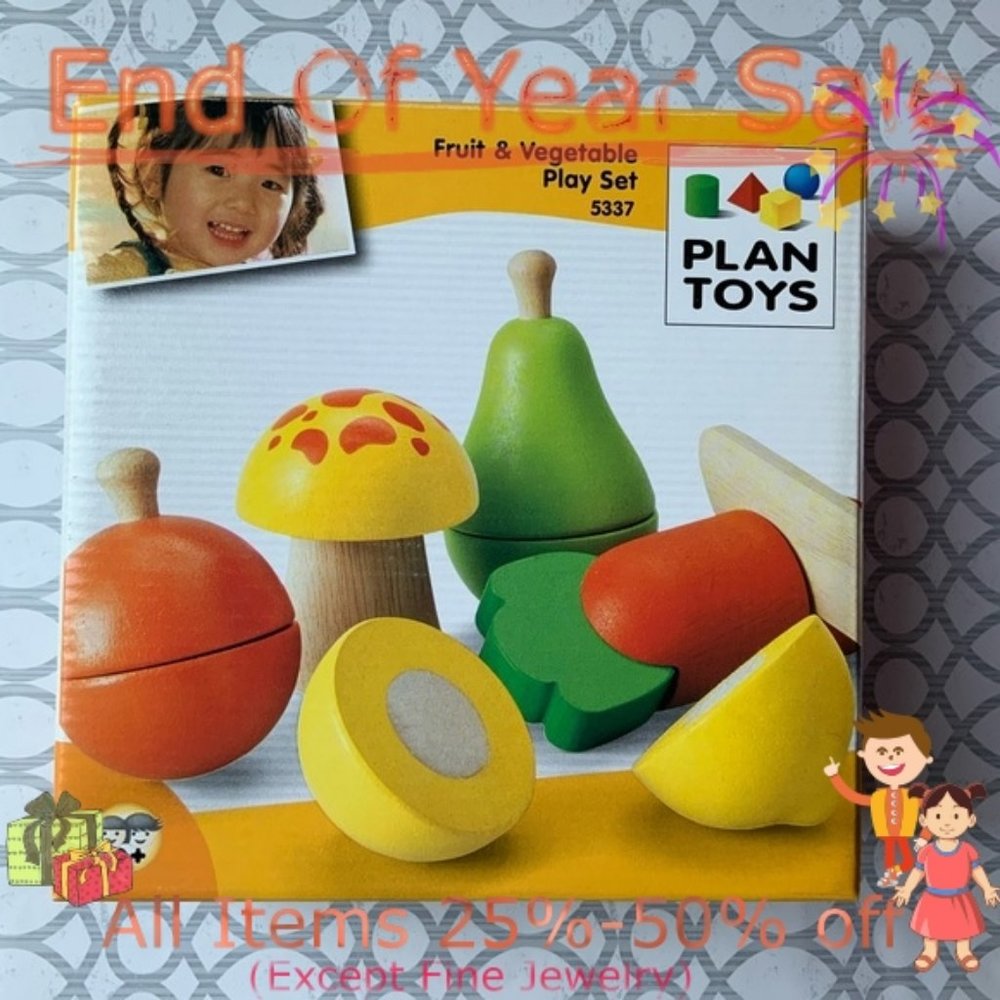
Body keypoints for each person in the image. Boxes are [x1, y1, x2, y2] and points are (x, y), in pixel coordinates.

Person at [88, 99, 324, 283]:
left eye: (270, 184)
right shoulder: (122, 273)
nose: (243, 203)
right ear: (154, 174)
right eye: (218, 170)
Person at [894, 783, 999, 973]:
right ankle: (929, 952)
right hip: (933, 898)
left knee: (963, 928)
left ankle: (964, 952)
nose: (947, 823)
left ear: (970, 819)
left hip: (960, 897)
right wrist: (907, 889)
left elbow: (976, 870)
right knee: (930, 930)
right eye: (938, 816)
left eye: (956, 816)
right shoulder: (927, 851)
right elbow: (918, 871)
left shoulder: (967, 850)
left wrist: (987, 888)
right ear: (924, 820)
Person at [824, 709, 933, 889]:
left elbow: (932, 811)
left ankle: (894, 874)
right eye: (881, 751)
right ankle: (891, 875)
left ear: (925, 758)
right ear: (864, 755)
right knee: (891, 861)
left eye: (899, 751)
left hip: (902, 834)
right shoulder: (878, 797)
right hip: (886, 835)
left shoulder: (913, 796)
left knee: (906, 861)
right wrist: (834, 776)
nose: (891, 757)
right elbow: (853, 796)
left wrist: (924, 836)